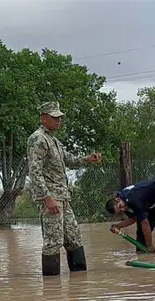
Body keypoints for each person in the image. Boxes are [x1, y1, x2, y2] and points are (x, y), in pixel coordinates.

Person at [27, 101, 102, 276]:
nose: (58, 121)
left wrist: (87, 159)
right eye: (54, 118)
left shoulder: (54, 141)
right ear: (43, 118)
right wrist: (47, 198)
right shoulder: (38, 139)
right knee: (53, 241)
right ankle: (52, 292)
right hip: (51, 198)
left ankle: (79, 285)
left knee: (73, 237)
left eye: (60, 118)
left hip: (63, 197)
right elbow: (35, 171)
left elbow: (68, 159)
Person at [106, 178, 155, 254]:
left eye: (120, 206)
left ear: (117, 199)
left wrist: (150, 245)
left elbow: (145, 223)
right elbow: (134, 218)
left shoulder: (132, 199)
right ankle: (143, 257)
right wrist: (119, 226)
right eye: (120, 211)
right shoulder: (124, 201)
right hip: (151, 202)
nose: (123, 209)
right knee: (141, 234)